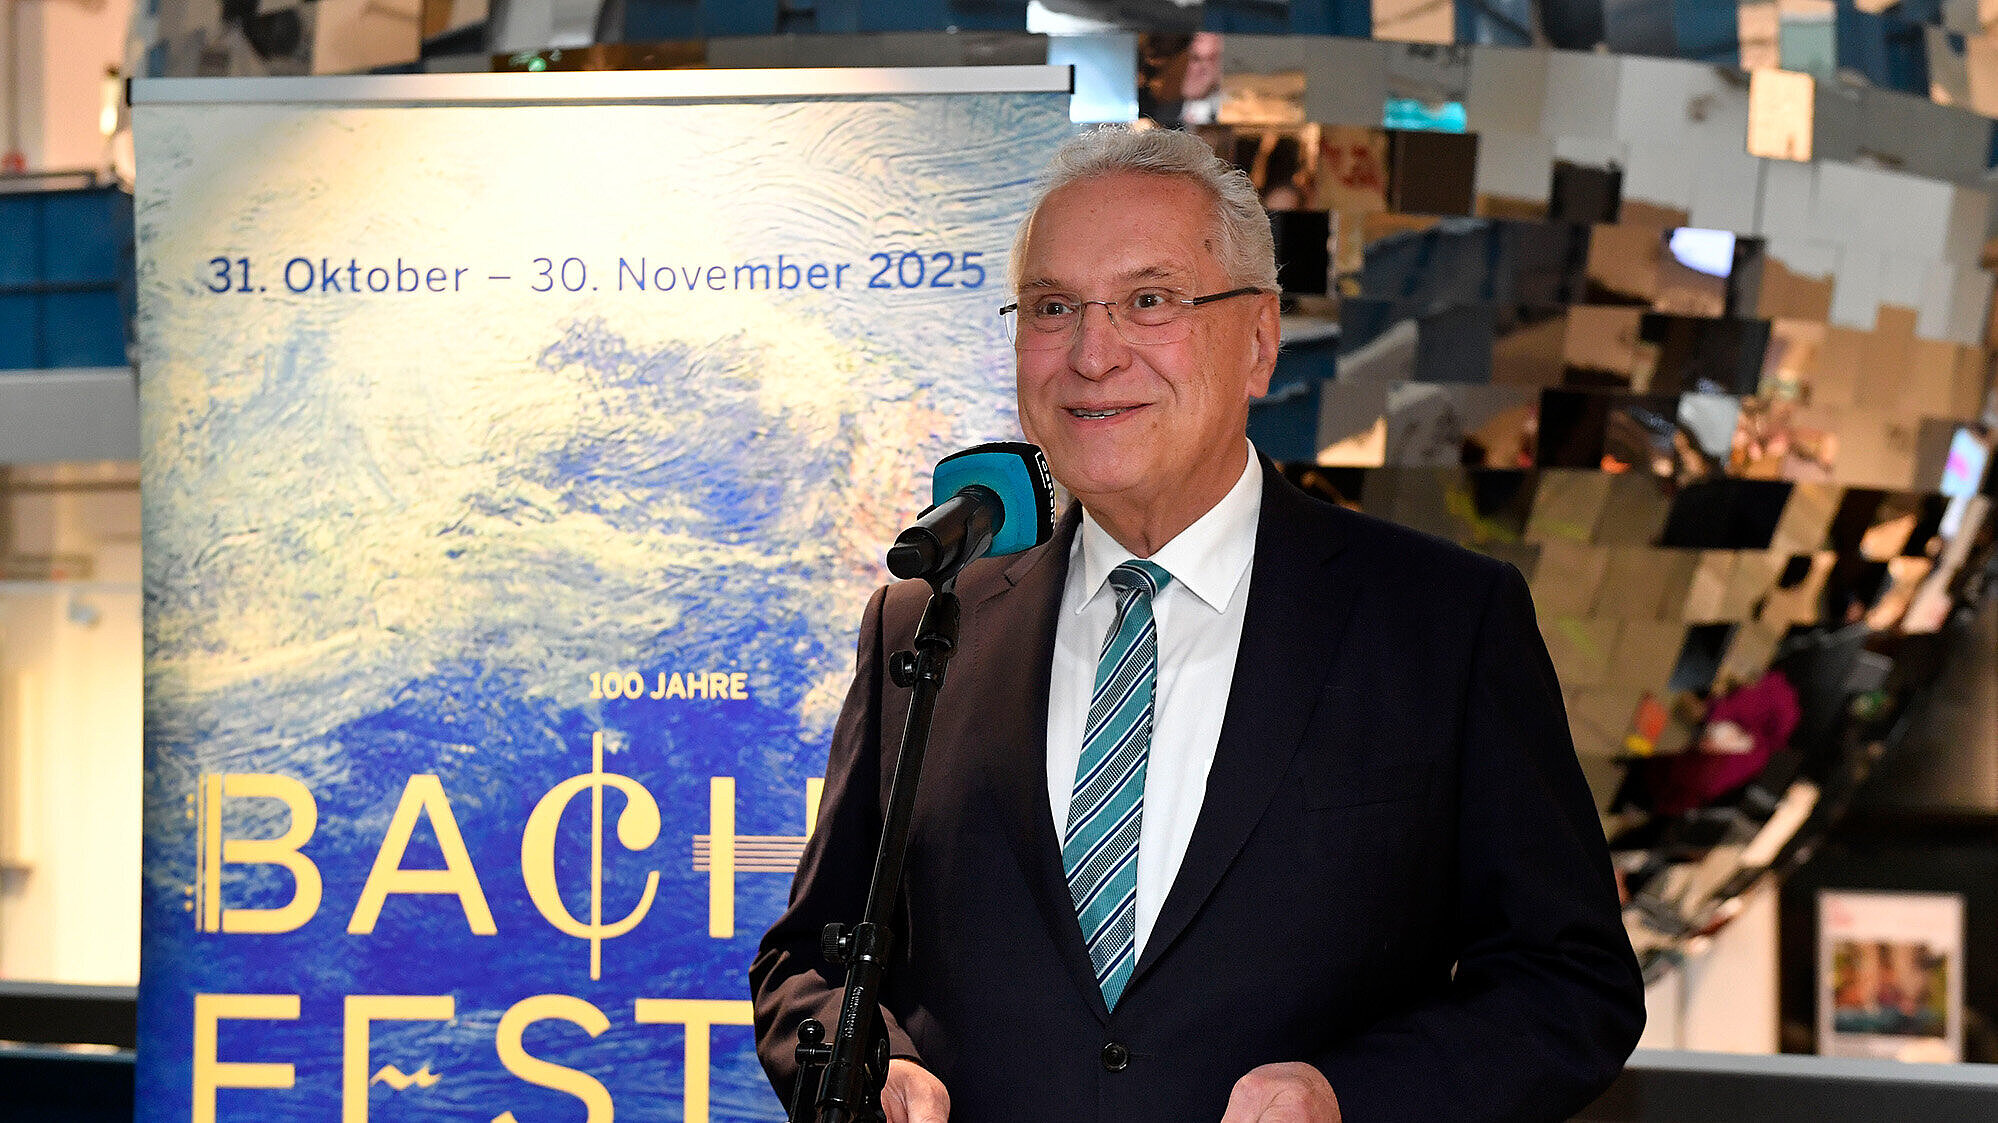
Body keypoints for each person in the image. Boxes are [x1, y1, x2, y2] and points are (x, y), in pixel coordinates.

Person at [751, 125, 1645, 1123]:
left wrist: (1347, 1095)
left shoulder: (1441, 626)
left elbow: (1570, 988)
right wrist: (876, 1069)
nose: (1093, 355)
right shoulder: (926, 627)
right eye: (1053, 308)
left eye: (1148, 301)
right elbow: (810, 961)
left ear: (1258, 341)